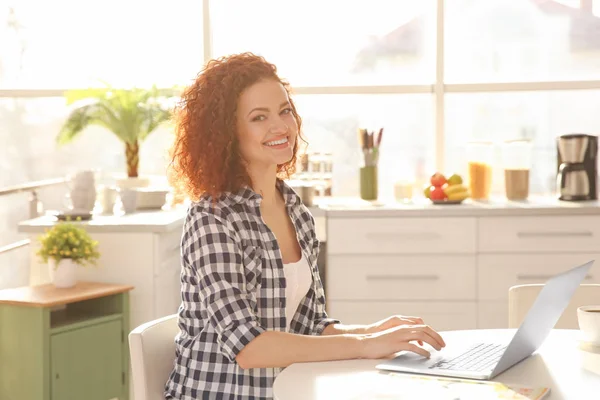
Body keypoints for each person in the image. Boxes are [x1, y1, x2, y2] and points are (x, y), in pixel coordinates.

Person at [164, 52, 446, 399]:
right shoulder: (212, 217)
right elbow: (249, 347)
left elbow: (309, 326)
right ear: (227, 133)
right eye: (258, 117)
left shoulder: (296, 211)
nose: (280, 126)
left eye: (285, 111)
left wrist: (375, 331)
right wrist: (366, 344)